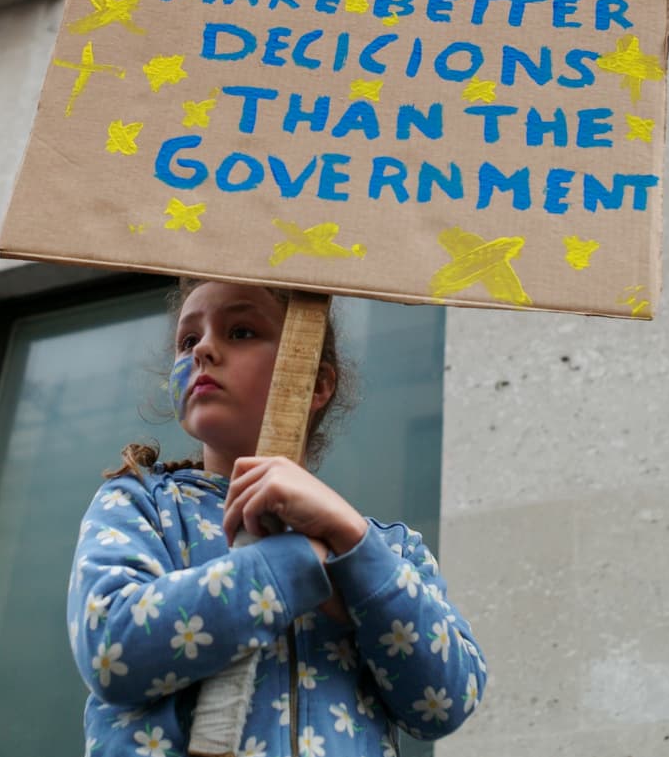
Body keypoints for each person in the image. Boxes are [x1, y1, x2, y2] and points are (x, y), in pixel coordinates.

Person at [68, 280, 486, 757]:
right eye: (188, 340)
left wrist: (354, 546)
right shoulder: (142, 502)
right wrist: (297, 562)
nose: (203, 348)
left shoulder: (392, 551)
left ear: (316, 382)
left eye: (241, 331)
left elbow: (445, 704)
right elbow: (111, 652)